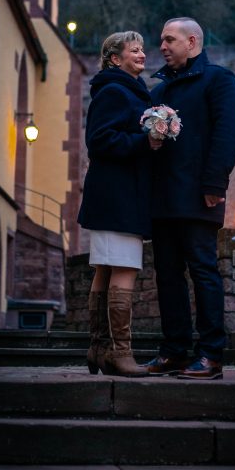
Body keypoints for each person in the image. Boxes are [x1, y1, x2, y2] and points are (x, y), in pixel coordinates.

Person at [146, 17, 235, 380]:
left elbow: (229, 132)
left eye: (169, 39)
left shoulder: (219, 80)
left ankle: (210, 354)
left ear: (192, 42)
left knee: (203, 270)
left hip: (199, 195)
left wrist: (214, 185)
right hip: (162, 199)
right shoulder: (157, 93)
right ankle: (173, 351)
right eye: (161, 40)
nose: (162, 46)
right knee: (167, 276)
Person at [77, 30, 161, 377]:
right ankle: (120, 353)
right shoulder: (114, 91)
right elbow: (99, 142)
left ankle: (99, 349)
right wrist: (147, 141)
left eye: (143, 49)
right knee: (123, 267)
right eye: (135, 50)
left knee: (106, 269)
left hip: (116, 194)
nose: (142, 54)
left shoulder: (125, 90)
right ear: (115, 58)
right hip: (117, 196)